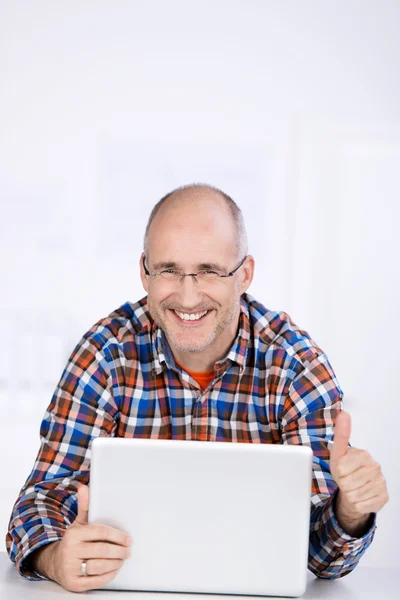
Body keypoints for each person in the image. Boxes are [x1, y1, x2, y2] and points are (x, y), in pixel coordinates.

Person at [6, 184, 389, 593]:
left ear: (244, 274)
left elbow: (319, 558)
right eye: (169, 270)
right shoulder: (105, 354)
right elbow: (37, 504)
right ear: (144, 272)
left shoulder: (296, 366)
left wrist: (349, 511)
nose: (188, 297)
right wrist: (56, 556)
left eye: (209, 270)